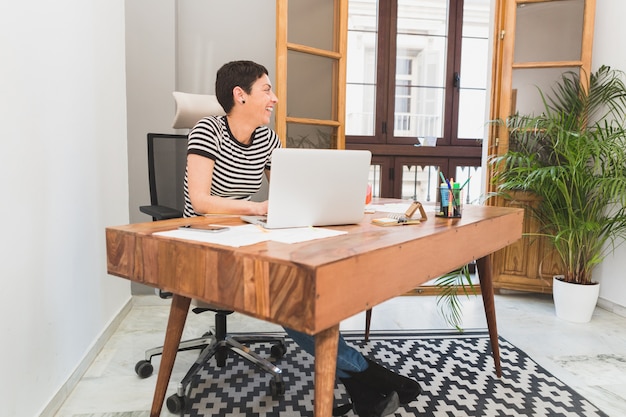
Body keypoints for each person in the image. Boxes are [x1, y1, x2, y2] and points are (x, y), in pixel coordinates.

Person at [183, 60, 420, 417]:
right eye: (266, 90)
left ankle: (361, 387)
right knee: (291, 299)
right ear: (239, 95)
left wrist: (329, 198)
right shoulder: (207, 132)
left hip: (250, 235)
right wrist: (258, 208)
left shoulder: (266, 138)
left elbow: (287, 188)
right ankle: (370, 373)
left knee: (304, 291)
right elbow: (200, 201)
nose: (274, 98)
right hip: (206, 241)